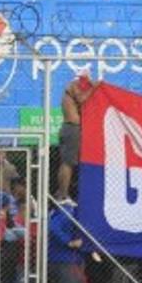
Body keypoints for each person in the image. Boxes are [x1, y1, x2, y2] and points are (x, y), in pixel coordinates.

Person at [55, 73, 95, 202]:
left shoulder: (73, 89)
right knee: (68, 163)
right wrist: (95, 86)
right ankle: (63, 194)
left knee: (70, 163)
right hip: (71, 128)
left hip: (72, 128)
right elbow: (82, 99)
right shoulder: (71, 86)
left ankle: (63, 192)